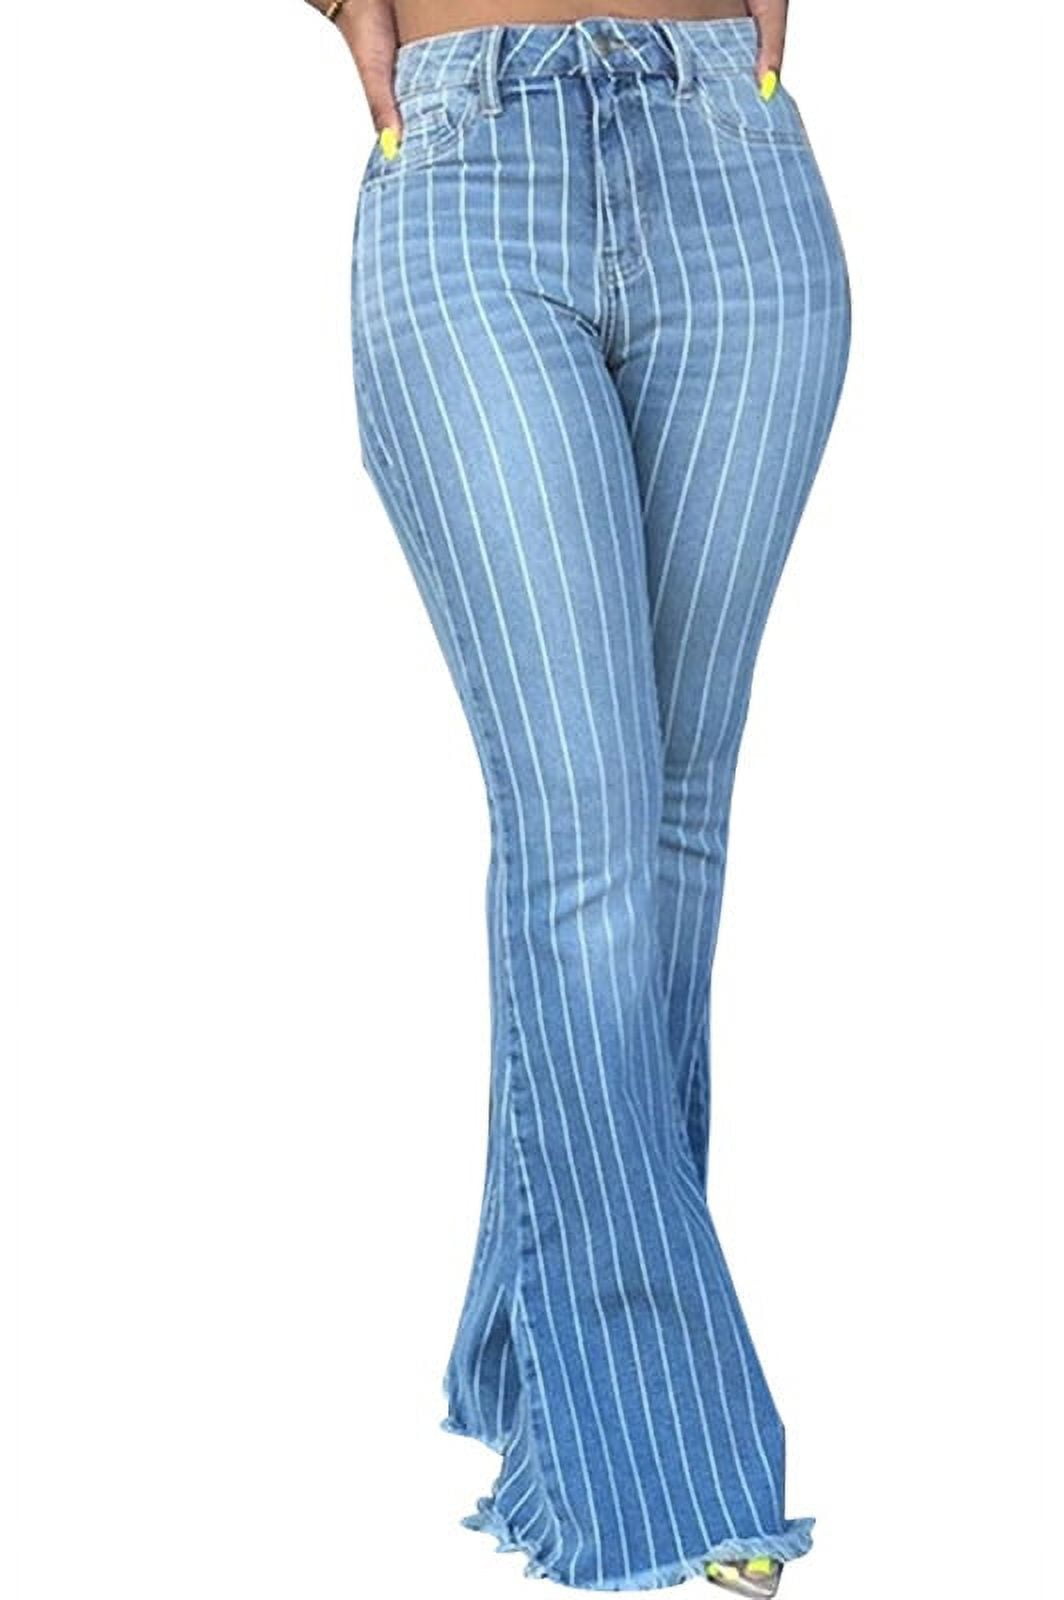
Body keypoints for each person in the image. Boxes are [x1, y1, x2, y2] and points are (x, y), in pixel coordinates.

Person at [305, 0, 850, 1591]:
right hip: (468, 165)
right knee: (585, 838)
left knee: (671, 829)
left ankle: (528, 1357)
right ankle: (668, 1466)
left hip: (732, 157)